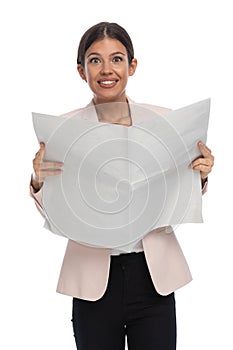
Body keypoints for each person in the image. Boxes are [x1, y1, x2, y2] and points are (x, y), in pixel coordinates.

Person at [30, 22, 214, 350]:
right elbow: (58, 215)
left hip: (153, 277)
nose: (106, 70)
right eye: (95, 60)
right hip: (93, 283)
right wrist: (39, 182)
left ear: (132, 65)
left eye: (116, 59)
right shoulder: (63, 130)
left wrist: (198, 175)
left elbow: (177, 192)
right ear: (81, 70)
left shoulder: (165, 123)